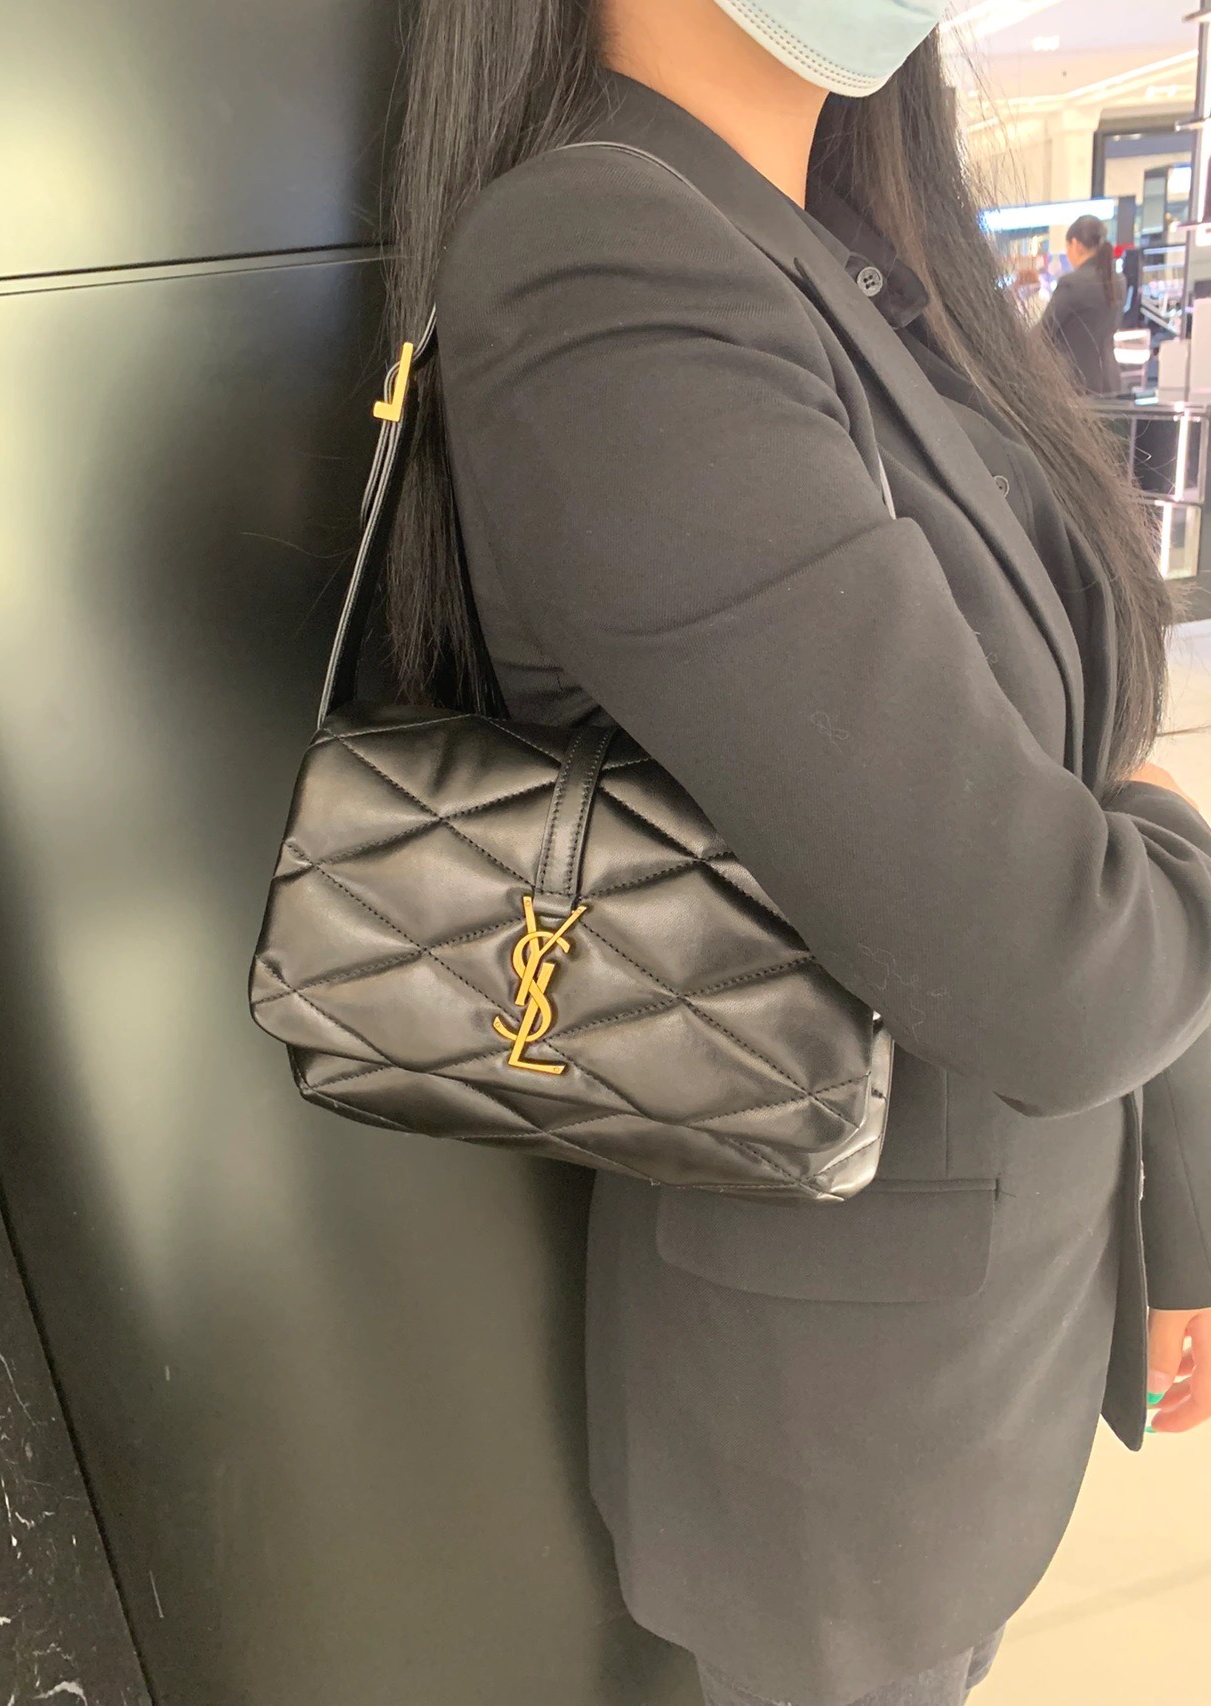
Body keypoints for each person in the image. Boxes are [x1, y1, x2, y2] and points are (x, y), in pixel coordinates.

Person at [377, 3, 1211, 1703]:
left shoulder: (848, 247)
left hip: (993, 1348)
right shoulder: (601, 261)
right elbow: (1050, 961)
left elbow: (1084, 768)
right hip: (836, 1453)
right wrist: (1155, 828)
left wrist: (1181, 1216)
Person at [1040, 213, 1123, 395]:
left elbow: (1044, 332)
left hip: (1076, 387)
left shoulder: (1072, 283)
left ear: (1075, 244)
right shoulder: (1118, 281)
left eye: (1067, 247)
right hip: (1110, 384)